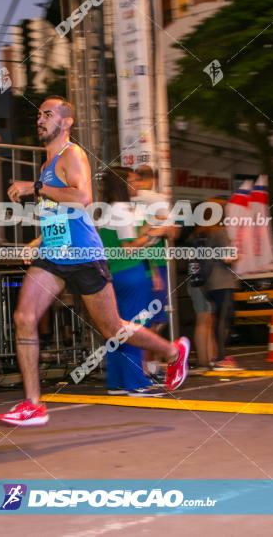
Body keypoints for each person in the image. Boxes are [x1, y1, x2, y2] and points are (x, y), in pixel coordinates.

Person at [0, 96, 190, 426]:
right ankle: (33, 405)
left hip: (84, 254)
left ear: (67, 121)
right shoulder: (46, 164)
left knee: (112, 328)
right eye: (38, 115)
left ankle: (173, 352)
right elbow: (57, 211)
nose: (40, 119)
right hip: (54, 254)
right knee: (24, 316)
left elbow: (83, 198)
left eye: (48, 114)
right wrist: (38, 239)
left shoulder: (72, 154)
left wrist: (36, 187)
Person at [99, 166, 168, 397]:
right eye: (132, 180)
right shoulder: (122, 210)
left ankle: (117, 382)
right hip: (131, 273)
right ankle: (136, 383)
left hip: (116, 274)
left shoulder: (109, 210)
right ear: (121, 184)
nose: (136, 184)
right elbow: (128, 248)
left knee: (117, 328)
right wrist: (154, 232)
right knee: (133, 329)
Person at [128, 164, 176, 379]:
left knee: (143, 318)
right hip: (152, 263)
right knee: (153, 319)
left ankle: (147, 365)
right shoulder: (155, 199)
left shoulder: (129, 201)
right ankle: (147, 366)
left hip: (137, 263)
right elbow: (172, 231)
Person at [202, 201, 242, 372]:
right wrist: (236, 255)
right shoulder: (219, 232)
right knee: (224, 319)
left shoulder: (206, 232)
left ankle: (218, 356)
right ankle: (220, 358)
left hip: (211, 282)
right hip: (223, 281)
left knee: (218, 318)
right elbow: (228, 257)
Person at [185, 223, 217, 372]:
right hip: (199, 283)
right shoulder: (199, 239)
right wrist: (199, 280)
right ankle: (204, 360)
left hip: (198, 282)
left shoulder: (196, 238)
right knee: (203, 320)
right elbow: (198, 264)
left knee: (206, 320)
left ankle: (208, 359)